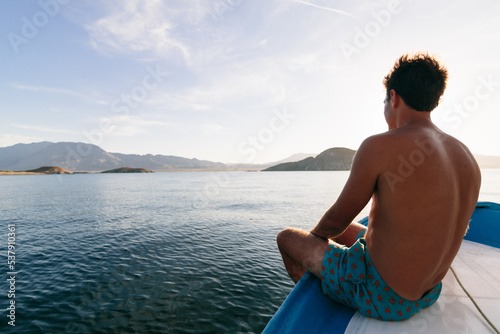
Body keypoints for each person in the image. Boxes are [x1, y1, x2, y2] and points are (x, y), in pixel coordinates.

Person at [276, 52, 481, 321]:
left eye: (385, 101)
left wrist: (314, 240)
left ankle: (323, 306)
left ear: (393, 98)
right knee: (349, 233)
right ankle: (338, 277)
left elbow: (335, 220)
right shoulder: (466, 156)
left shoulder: (379, 146)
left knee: (288, 238)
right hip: (431, 290)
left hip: (387, 298)